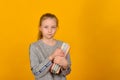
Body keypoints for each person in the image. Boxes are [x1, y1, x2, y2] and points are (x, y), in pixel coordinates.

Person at [29, 13, 71, 80]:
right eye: (46, 27)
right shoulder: (34, 47)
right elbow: (36, 73)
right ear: (40, 28)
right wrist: (52, 56)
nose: (49, 30)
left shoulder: (63, 46)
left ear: (57, 28)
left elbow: (67, 72)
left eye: (53, 27)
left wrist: (65, 66)